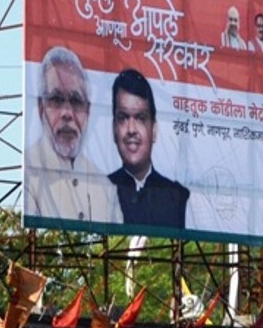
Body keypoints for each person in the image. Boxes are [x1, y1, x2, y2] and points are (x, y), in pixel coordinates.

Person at [24, 45, 122, 226]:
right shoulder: (26, 173)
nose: (67, 113)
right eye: (56, 99)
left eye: (76, 101)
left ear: (88, 111)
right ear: (41, 108)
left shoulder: (106, 188)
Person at [108, 69, 189, 229]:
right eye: (123, 118)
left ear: (154, 130)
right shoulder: (100, 191)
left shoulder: (177, 197)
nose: (131, 130)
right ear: (114, 129)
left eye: (140, 118)